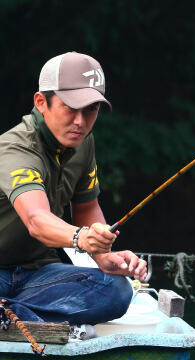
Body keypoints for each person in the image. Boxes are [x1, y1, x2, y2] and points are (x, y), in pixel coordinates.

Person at [0, 52, 147, 326]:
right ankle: (16, 315)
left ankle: (8, 313)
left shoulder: (83, 143)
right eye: (70, 107)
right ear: (41, 102)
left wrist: (103, 255)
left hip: (36, 275)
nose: (80, 121)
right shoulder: (15, 148)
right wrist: (82, 238)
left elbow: (87, 207)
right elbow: (36, 220)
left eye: (90, 109)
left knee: (116, 292)